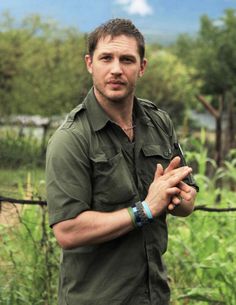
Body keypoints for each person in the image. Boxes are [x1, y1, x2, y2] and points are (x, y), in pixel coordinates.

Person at [46, 18, 198, 305]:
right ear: (90, 63)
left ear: (141, 68)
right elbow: (67, 230)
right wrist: (145, 209)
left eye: (127, 59)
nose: (116, 69)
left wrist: (183, 199)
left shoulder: (159, 122)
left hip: (153, 295)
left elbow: (185, 198)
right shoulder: (72, 139)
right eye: (107, 58)